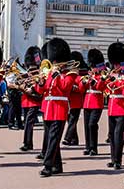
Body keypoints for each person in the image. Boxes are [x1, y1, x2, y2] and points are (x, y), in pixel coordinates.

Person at [36, 38, 73, 177]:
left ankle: (48, 165)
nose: (55, 64)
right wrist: (40, 82)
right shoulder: (51, 73)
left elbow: (65, 88)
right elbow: (43, 91)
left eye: (56, 61)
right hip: (48, 108)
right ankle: (57, 166)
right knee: (52, 138)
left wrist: (57, 76)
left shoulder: (69, 74)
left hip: (59, 109)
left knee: (53, 138)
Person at [106, 42, 124, 170]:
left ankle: (118, 160)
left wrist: (116, 82)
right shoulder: (112, 74)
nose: (115, 66)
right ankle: (113, 158)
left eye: (117, 63)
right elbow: (103, 88)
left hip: (122, 108)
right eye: (114, 63)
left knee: (118, 135)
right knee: (112, 135)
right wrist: (107, 80)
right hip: (111, 108)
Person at [81, 48, 106, 156]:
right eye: (91, 66)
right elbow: (82, 89)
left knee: (92, 124)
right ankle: (88, 146)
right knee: (86, 125)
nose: (92, 68)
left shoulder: (102, 76)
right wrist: (84, 82)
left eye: (93, 67)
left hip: (97, 103)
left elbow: (100, 88)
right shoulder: (89, 75)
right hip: (87, 102)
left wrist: (94, 80)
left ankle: (94, 148)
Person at [20, 46, 42, 151]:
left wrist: (32, 87)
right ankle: (28, 142)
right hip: (26, 100)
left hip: (34, 100)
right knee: (27, 122)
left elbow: (39, 87)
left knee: (29, 121)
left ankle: (28, 143)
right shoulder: (26, 74)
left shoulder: (39, 73)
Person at [62, 51, 86, 146]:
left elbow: (81, 89)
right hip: (69, 102)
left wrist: (72, 88)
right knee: (71, 121)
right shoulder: (68, 76)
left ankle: (67, 138)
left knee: (72, 121)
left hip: (76, 102)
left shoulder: (79, 77)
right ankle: (75, 139)